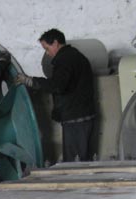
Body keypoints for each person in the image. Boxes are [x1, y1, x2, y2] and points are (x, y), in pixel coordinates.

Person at [16, 29, 96, 162]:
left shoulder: (65, 60)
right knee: (83, 158)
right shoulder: (75, 55)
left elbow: (57, 85)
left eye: (47, 49)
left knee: (74, 161)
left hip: (75, 117)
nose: (47, 53)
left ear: (55, 43)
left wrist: (30, 81)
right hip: (83, 115)